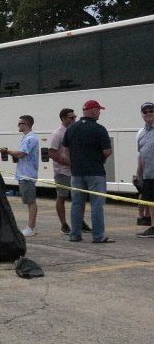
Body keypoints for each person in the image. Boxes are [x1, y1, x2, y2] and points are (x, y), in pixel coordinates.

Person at [61, 99, 114, 243]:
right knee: (97, 204)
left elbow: (65, 150)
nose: (99, 113)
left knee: (77, 203)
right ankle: (98, 236)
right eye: (98, 110)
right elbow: (107, 151)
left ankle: (75, 234)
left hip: (76, 172)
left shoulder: (71, 128)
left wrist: (75, 162)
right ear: (92, 111)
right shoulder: (99, 129)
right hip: (95, 171)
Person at [0, 115, 39, 237]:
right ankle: (29, 226)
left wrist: (7, 151)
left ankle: (30, 227)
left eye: (20, 123)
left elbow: (21, 154)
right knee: (28, 201)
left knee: (31, 201)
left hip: (27, 174)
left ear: (26, 124)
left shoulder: (30, 138)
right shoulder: (25, 138)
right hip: (23, 174)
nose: (18, 126)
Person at [49, 108, 86, 234]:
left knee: (79, 197)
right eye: (71, 117)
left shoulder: (74, 131)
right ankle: (64, 224)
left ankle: (80, 222)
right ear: (64, 118)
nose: (74, 119)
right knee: (62, 197)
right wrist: (69, 163)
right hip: (62, 171)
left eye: (75, 117)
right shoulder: (58, 134)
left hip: (75, 171)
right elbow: (52, 153)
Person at [135, 102, 154, 238]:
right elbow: (141, 156)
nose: (148, 113)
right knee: (151, 202)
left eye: (151, 111)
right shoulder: (140, 133)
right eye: (145, 111)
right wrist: (139, 175)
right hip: (148, 175)